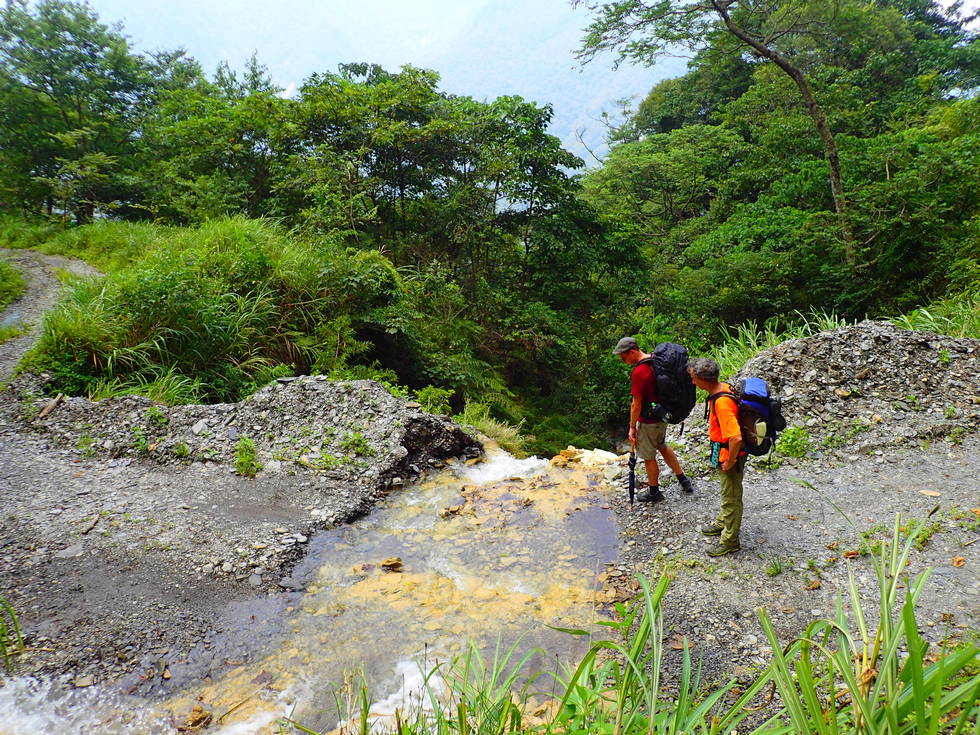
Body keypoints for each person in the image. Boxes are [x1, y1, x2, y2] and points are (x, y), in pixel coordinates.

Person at [613, 337, 694, 502]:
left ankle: (654, 491)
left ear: (632, 352)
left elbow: (635, 404)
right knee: (662, 446)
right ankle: (683, 479)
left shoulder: (639, 372)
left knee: (649, 457)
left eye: (623, 357)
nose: (623, 361)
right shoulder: (655, 360)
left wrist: (632, 427)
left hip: (648, 421)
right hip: (662, 415)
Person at [687, 357, 744, 556]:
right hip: (722, 451)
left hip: (730, 454)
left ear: (704, 379)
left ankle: (730, 540)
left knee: (731, 496)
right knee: (727, 491)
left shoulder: (721, 403)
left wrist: (731, 460)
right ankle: (723, 523)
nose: (693, 382)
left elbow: (735, 437)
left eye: (694, 378)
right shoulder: (723, 387)